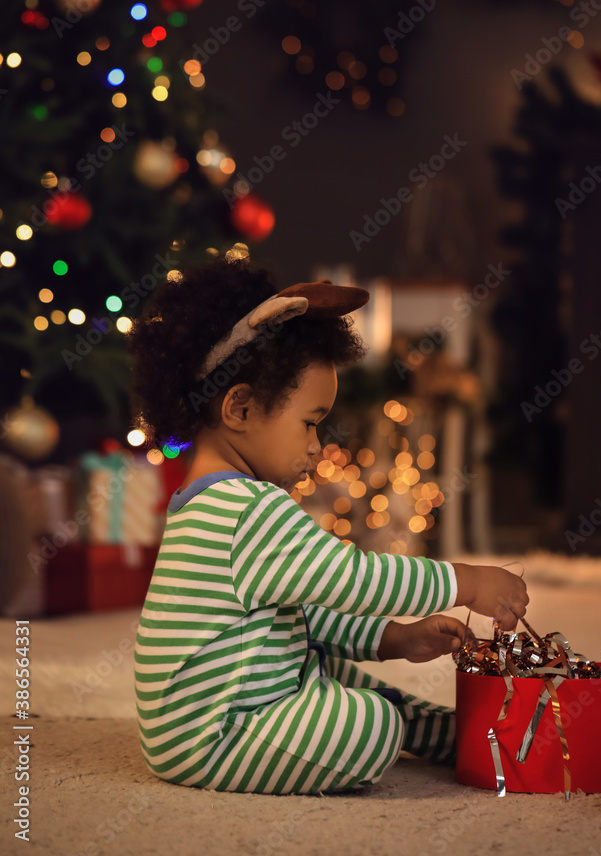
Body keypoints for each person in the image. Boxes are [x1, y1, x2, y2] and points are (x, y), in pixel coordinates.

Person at [127, 255, 529, 796]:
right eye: (310, 424)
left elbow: (301, 617)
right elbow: (353, 579)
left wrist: (392, 638)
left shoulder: (197, 503)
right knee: (369, 725)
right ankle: (408, 726)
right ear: (240, 408)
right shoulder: (248, 508)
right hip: (215, 735)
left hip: (196, 726)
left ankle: (443, 732)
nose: (317, 447)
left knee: (322, 667)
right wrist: (467, 581)